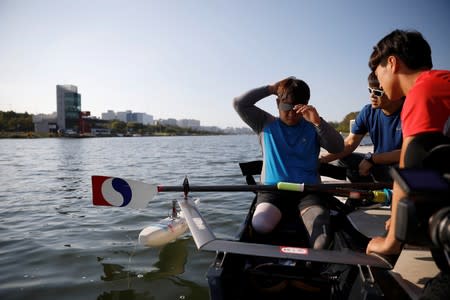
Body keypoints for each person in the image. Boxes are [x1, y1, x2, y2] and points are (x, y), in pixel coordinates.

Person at [365, 30, 450, 258]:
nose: (379, 84)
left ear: (392, 63)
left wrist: (390, 242)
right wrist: (399, 215)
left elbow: (408, 171)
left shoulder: (421, 93)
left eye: (378, 74)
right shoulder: (441, 83)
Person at [233, 77, 344, 250]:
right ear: (277, 103)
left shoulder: (314, 126)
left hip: (308, 192)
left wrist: (318, 122)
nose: (291, 113)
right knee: (261, 225)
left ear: (306, 105)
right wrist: (270, 88)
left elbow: (337, 147)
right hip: (273, 192)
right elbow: (239, 103)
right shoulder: (264, 123)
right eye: (286, 107)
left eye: (297, 108)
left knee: (321, 240)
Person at [320, 72, 404, 183]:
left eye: (378, 92)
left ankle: (368, 187)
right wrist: (323, 159)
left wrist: (372, 159)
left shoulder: (410, 110)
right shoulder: (368, 112)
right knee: (344, 159)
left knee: (399, 169)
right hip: (377, 163)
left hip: (400, 165)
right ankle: (362, 191)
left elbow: (410, 152)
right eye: (370, 90)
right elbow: (350, 143)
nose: (372, 96)